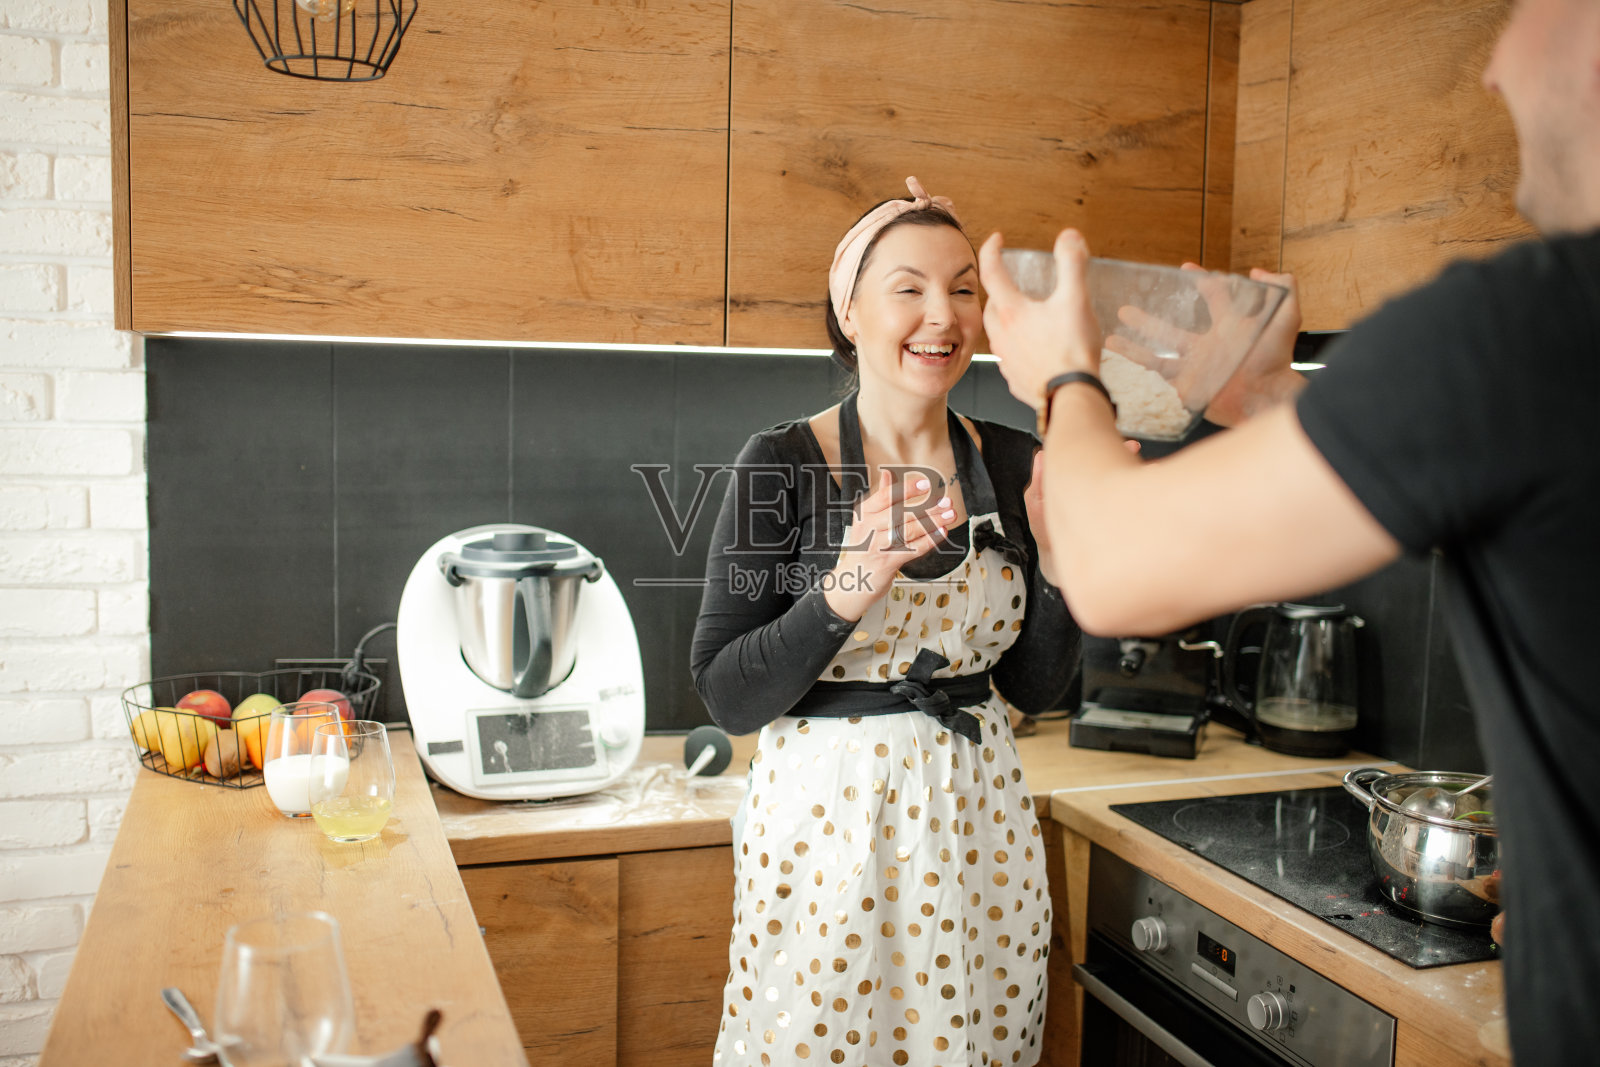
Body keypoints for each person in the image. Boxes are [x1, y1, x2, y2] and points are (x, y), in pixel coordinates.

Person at [975, 0, 1600, 1062]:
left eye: (1518, 12)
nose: (1490, 69)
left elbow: (1116, 568)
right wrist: (1269, 399)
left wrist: (1064, 376)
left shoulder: (1527, 325)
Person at [690, 177, 1080, 1067]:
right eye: (908, 287)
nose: (941, 314)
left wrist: (1059, 572)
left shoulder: (1015, 460)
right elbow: (724, 688)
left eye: (963, 287)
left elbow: (1032, 686)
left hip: (982, 826)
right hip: (827, 835)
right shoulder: (782, 464)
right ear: (851, 313)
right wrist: (845, 587)